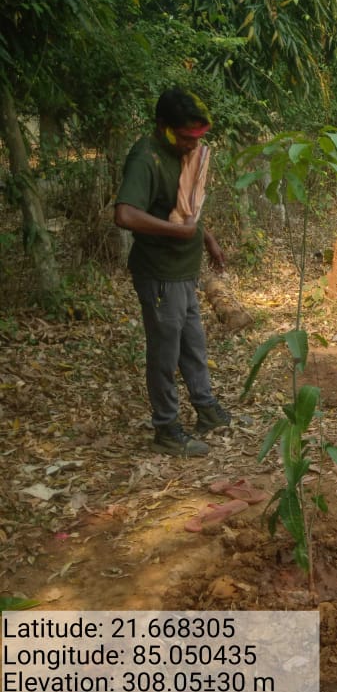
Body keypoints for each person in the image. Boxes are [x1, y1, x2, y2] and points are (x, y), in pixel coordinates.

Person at [114, 87, 232, 456]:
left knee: (193, 345)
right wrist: (177, 232)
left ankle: (205, 408)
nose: (191, 145)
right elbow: (125, 214)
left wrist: (207, 238)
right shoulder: (145, 158)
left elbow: (185, 209)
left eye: (197, 138)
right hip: (160, 274)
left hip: (184, 272)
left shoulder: (184, 154)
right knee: (165, 354)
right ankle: (166, 428)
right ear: (162, 126)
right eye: (184, 137)